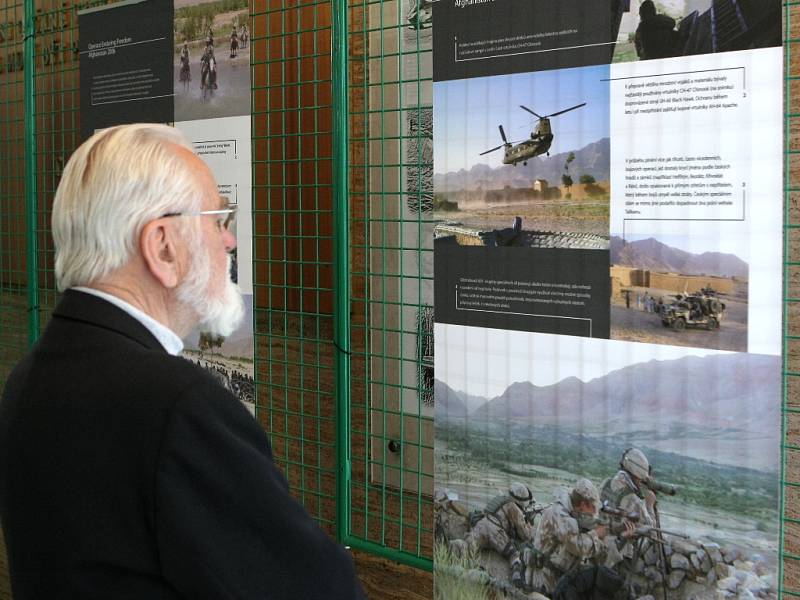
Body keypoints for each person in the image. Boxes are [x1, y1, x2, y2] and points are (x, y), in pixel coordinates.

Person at [0, 124, 366, 599]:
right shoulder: (176, 406)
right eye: (217, 220)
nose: (228, 241)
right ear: (163, 246)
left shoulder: (28, 377)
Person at [527, 478, 608, 595]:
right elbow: (578, 546)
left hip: (551, 575)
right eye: (592, 507)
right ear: (583, 504)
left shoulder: (567, 508)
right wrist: (597, 534)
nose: (594, 512)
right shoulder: (560, 514)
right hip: (544, 580)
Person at [451, 482, 535, 588]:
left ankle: (453, 545)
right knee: (514, 555)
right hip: (496, 532)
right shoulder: (513, 507)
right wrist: (529, 525)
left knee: (467, 545)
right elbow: (525, 536)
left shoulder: (500, 499)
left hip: (482, 524)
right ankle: (516, 577)